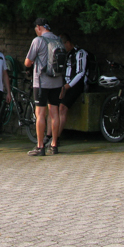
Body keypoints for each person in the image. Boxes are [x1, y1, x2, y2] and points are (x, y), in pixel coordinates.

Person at [24, 18, 64, 156]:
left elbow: (28, 62)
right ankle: (54, 145)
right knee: (54, 113)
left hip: (41, 83)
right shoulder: (59, 40)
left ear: (39, 27)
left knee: (40, 114)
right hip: (57, 82)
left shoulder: (38, 41)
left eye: (36, 28)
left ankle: (40, 146)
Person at [56, 33, 87, 143]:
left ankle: (56, 137)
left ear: (68, 43)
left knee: (62, 107)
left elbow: (80, 73)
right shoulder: (66, 54)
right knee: (53, 106)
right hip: (65, 83)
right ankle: (51, 134)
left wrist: (67, 86)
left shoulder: (80, 53)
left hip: (76, 85)